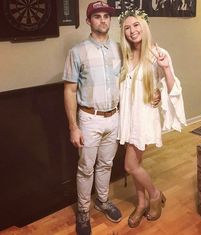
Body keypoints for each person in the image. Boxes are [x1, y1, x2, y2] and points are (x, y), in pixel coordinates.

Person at [117, 8, 186, 228]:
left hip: (143, 118)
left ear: (145, 26)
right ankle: (141, 203)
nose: (132, 30)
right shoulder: (126, 55)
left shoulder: (157, 53)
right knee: (137, 163)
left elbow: (174, 88)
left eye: (136, 25)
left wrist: (165, 69)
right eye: (127, 27)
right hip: (128, 117)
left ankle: (155, 195)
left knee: (129, 166)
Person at [62, 2, 122, 235]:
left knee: (106, 164)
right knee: (86, 168)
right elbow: (69, 90)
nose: (103, 20)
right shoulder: (77, 52)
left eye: (106, 16)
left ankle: (103, 201)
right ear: (89, 21)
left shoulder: (119, 49)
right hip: (89, 119)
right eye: (97, 16)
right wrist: (73, 127)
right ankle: (84, 211)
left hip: (113, 117)